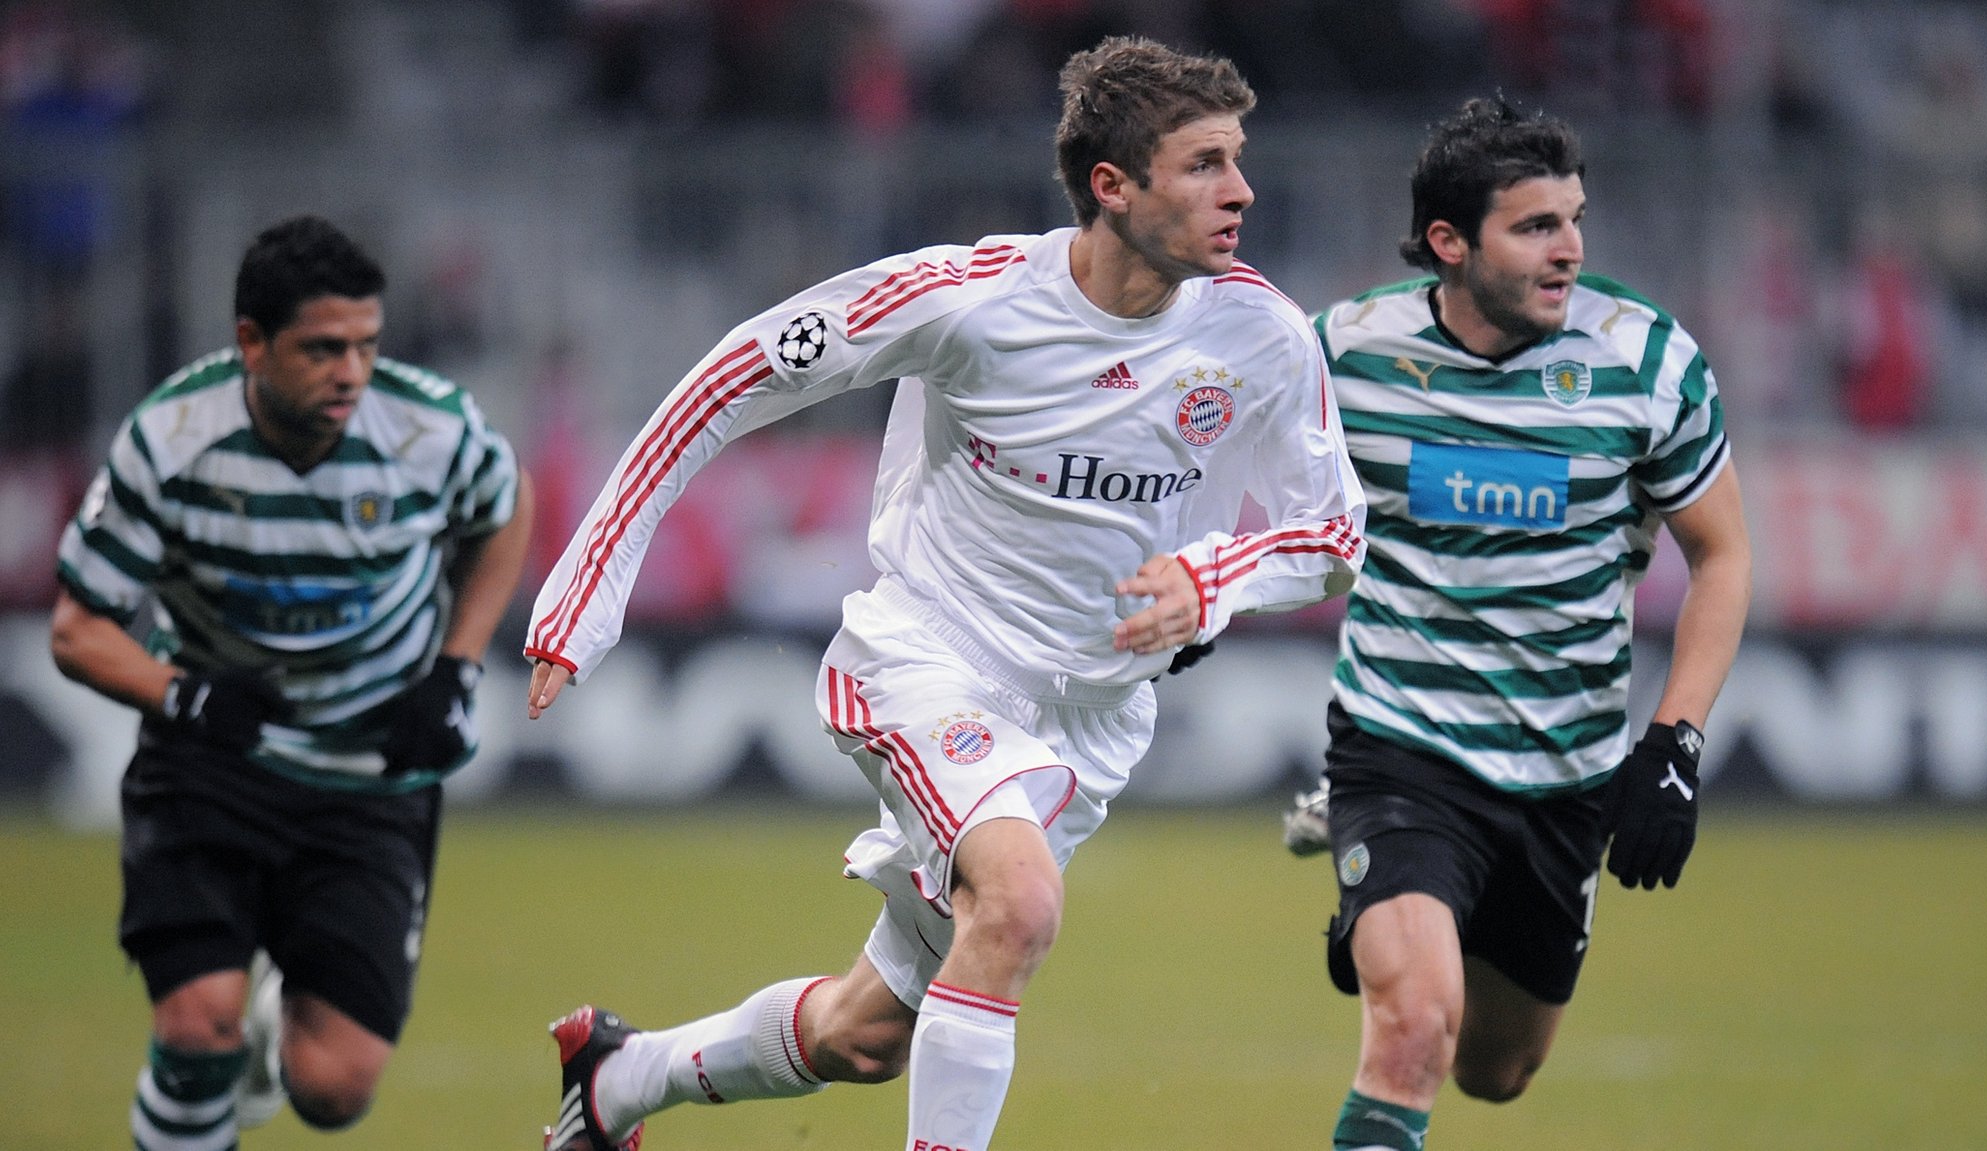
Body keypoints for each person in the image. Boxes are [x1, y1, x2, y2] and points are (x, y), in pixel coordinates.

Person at [523, 35, 1366, 1151]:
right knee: (1016, 905)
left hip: (1090, 721)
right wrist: (585, 590)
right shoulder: (968, 300)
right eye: (1205, 163)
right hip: (929, 661)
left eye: (1237, 158)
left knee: (866, 1036)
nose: (1242, 190)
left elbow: (1336, 534)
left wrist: (1211, 581)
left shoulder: (1258, 333)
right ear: (1111, 187)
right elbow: (735, 373)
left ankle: (619, 1077)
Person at [1291, 96, 1751, 1151]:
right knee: (1410, 1030)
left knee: (1495, 1068)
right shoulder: (1342, 356)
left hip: (1563, 770)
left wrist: (1674, 741)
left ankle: (1380, 926)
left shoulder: (1647, 362)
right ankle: (1390, 916)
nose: (1569, 248)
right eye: (1534, 226)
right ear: (1448, 244)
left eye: (1572, 218)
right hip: (1400, 746)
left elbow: (1721, 556)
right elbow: (1256, 504)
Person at [49, 214, 533, 1151]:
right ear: (251, 344)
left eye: (364, 345)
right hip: (215, 762)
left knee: (333, 1089)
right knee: (195, 1025)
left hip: (370, 774)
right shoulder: (170, 442)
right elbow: (78, 627)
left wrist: (457, 666)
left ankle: (272, 1040)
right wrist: (182, 695)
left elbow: (506, 510)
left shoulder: (430, 426)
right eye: (321, 349)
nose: (350, 370)